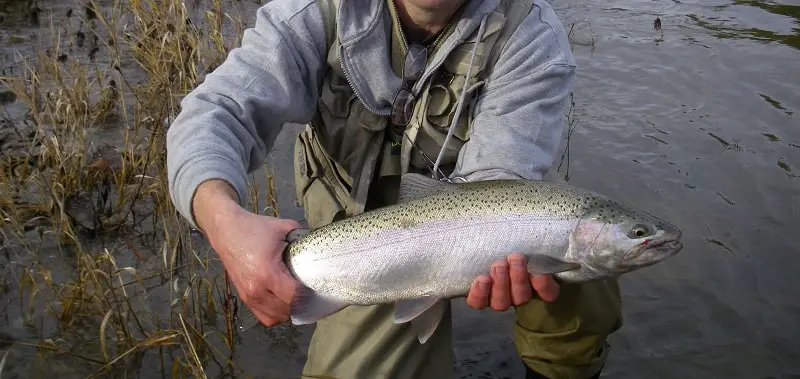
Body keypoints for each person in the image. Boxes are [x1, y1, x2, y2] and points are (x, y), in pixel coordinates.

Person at [166, 0, 623, 378]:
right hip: (354, 236)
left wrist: (477, 262)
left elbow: (496, 186)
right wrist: (225, 224)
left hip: (470, 218)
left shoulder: (530, 33)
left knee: (579, 271)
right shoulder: (312, 11)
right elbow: (216, 112)